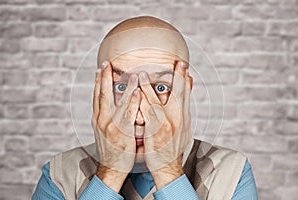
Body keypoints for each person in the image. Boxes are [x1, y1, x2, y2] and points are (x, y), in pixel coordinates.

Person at [32, 16, 258, 200]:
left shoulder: (232, 172)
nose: (139, 116)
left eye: (161, 87)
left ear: (186, 90)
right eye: (121, 86)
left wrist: (167, 169)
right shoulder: (58, 175)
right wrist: (110, 172)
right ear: (99, 92)